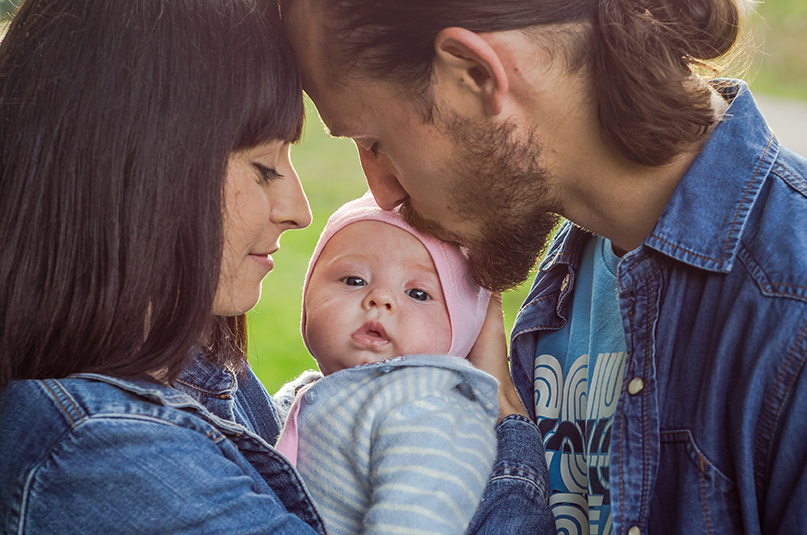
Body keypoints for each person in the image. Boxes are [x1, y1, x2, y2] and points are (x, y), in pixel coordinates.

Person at [0, 1, 554, 534]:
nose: (298, 211)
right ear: (137, 171)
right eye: (265, 167)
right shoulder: (103, 453)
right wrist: (508, 439)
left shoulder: (203, 366)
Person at [281, 0, 807, 533]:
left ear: (475, 76)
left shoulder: (791, 307)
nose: (383, 193)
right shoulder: (570, 273)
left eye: (374, 142)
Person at [273, 193, 501, 535]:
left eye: (418, 293)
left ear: (462, 329)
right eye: (354, 280)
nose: (380, 299)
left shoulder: (432, 411)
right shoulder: (307, 394)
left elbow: (415, 525)